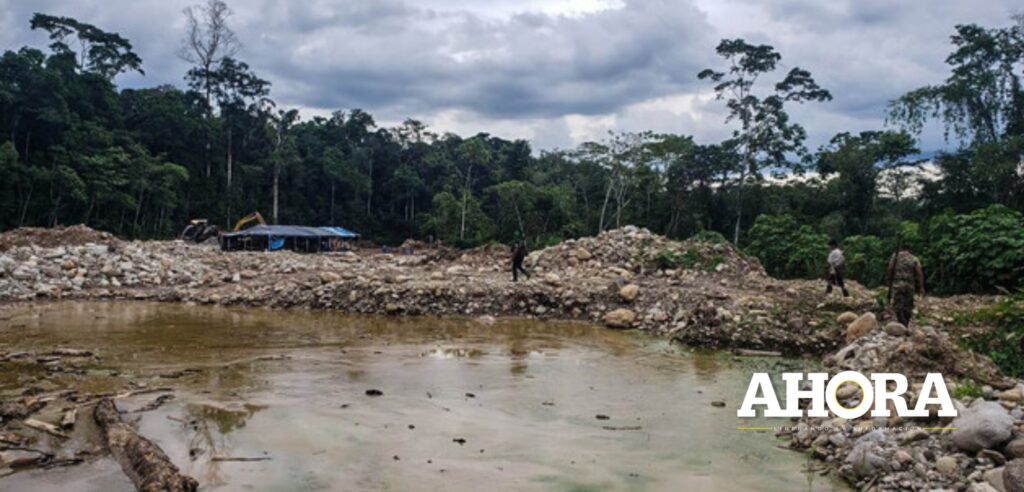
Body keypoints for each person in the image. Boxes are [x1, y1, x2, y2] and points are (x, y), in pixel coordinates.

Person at [886, 243, 925, 327]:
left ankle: (902, 324)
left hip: (898, 283)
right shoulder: (914, 258)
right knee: (908, 306)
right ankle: (905, 324)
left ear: (901, 248)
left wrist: (889, 280)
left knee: (897, 306)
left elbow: (890, 269)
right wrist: (921, 287)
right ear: (909, 250)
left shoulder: (895, 257)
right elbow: (919, 273)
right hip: (910, 284)